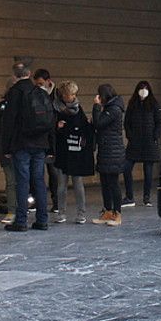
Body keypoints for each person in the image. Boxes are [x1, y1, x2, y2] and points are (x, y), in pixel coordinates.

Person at [2, 62, 53, 231]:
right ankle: (42, 219)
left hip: (22, 143)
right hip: (40, 143)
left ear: (14, 75)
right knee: (39, 180)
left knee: (22, 181)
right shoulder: (40, 92)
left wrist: (6, 147)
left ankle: (21, 220)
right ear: (30, 74)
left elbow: (8, 122)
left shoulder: (15, 92)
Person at [53, 81, 95, 224]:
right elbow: (51, 128)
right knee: (61, 185)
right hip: (63, 150)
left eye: (72, 95)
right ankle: (61, 212)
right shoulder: (56, 109)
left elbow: (84, 127)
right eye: (68, 95)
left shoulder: (78, 109)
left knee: (78, 184)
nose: (70, 97)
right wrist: (57, 127)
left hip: (76, 151)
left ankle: (81, 213)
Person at [122, 80, 161, 209]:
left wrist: (155, 136)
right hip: (134, 142)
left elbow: (160, 122)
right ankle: (129, 196)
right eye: (141, 88)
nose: (143, 90)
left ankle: (147, 197)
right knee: (126, 167)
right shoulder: (133, 104)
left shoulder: (154, 105)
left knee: (148, 170)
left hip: (149, 142)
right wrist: (129, 135)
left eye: (145, 88)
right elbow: (127, 122)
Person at [92, 84, 126, 226]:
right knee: (105, 182)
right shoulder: (109, 108)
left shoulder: (114, 109)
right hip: (106, 149)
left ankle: (117, 213)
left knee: (113, 183)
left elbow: (98, 123)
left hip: (113, 151)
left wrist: (96, 107)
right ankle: (107, 211)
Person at [33, 69, 61, 216]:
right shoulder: (34, 95)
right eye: (36, 84)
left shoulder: (57, 94)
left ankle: (56, 202)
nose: (39, 87)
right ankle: (36, 201)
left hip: (54, 138)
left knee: (53, 172)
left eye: (41, 84)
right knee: (37, 172)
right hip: (40, 137)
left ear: (48, 81)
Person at [0, 79, 17, 222]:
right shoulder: (1, 107)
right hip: (5, 149)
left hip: (21, 149)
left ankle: (23, 208)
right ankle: (12, 210)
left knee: (23, 180)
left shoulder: (25, 105)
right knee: (11, 181)